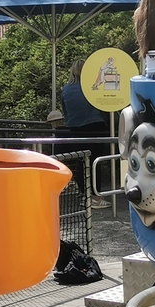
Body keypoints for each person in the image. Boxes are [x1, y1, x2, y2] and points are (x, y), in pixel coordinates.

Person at [61, 58, 110, 208]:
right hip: (95, 126)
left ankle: (85, 194)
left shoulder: (66, 90)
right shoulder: (91, 87)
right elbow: (102, 106)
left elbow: (65, 112)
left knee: (81, 162)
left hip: (74, 128)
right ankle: (95, 197)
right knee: (96, 162)